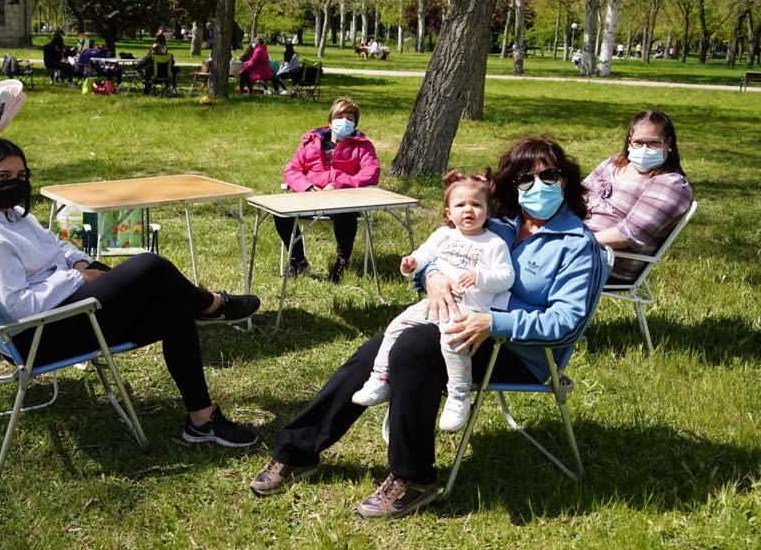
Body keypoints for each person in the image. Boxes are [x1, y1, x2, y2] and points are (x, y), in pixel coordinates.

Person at [250, 136, 608, 518]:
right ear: (512, 186)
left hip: (521, 353)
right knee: (374, 352)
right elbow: (442, 255)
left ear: (565, 181)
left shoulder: (577, 245)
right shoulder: (501, 225)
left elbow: (568, 324)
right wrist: (432, 275)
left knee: (414, 347)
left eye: (548, 176)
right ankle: (297, 451)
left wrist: (494, 322)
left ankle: (414, 478)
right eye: (524, 179)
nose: (537, 187)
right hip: (457, 327)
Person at [0, 138, 262, 447]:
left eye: (21, 174)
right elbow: (18, 308)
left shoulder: (8, 215)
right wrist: (76, 280)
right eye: (3, 175)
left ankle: (201, 421)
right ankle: (211, 304)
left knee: (174, 306)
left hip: (61, 313)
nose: (14, 182)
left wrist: (79, 264)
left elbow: (54, 245)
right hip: (39, 338)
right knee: (151, 266)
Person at [351, 171, 514, 432]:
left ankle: (459, 396)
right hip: (434, 305)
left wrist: (481, 276)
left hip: (467, 310)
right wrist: (411, 264)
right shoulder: (442, 235)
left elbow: (506, 277)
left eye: (476, 204)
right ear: (448, 212)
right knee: (394, 328)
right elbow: (424, 254)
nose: (468, 210)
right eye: (460, 205)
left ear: (488, 211)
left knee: (451, 343)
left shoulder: (494, 243)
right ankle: (380, 378)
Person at [274, 98, 380, 283]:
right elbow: (291, 170)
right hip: (310, 196)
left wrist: (340, 184)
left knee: (344, 211)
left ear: (355, 124)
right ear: (330, 121)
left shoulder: (362, 146)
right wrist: (306, 186)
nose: (344, 121)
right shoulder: (311, 143)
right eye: (340, 116)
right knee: (280, 211)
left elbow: (371, 172)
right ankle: (298, 259)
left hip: (342, 198)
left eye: (350, 118)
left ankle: (343, 259)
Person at [583, 109, 693, 283]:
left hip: (607, 263)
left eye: (654, 143)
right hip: (577, 248)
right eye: (638, 142)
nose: (644, 149)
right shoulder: (613, 164)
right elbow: (577, 196)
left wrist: (571, 243)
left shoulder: (671, 184)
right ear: (629, 142)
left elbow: (627, 235)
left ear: (668, 143)